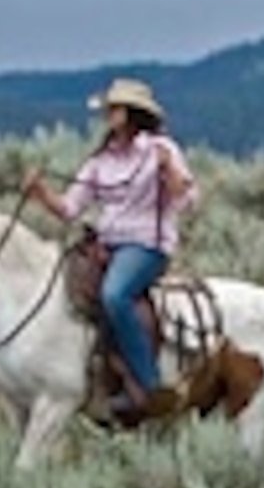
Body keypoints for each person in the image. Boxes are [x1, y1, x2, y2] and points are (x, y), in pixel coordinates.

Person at [26, 75, 200, 421]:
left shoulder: (160, 150)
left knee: (115, 295)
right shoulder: (101, 160)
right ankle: (90, 378)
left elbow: (189, 199)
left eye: (114, 108)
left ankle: (150, 386)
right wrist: (41, 193)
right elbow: (70, 209)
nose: (108, 114)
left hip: (147, 247)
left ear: (132, 112)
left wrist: (170, 175)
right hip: (105, 244)